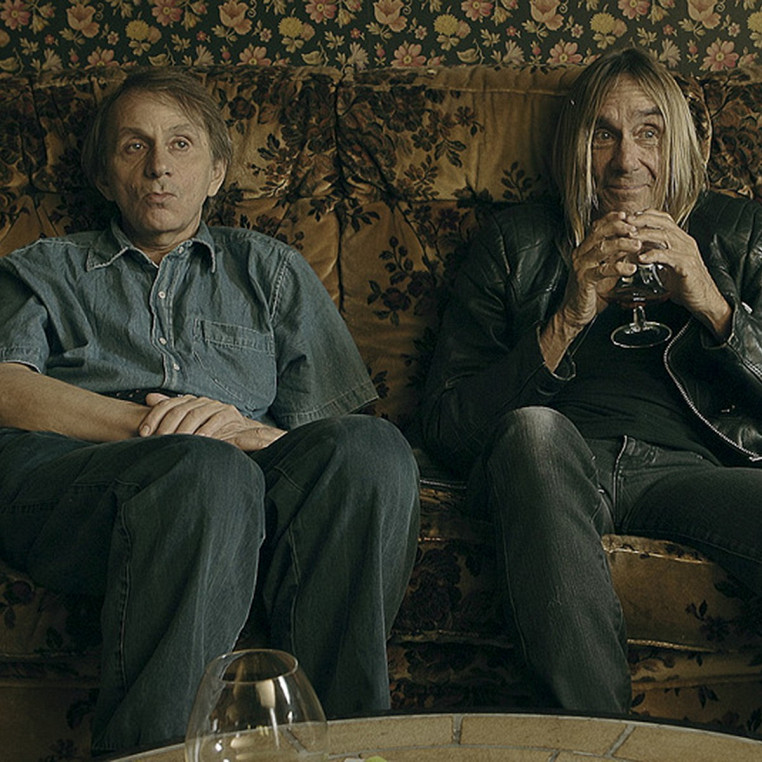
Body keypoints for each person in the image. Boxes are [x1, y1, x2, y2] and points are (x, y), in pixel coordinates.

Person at [0, 68, 420, 755]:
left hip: (237, 475)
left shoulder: (271, 271)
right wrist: (154, 428)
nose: (159, 166)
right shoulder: (45, 267)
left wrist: (248, 432)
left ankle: (341, 745)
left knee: (372, 450)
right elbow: (6, 387)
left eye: (181, 144)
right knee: (204, 470)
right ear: (105, 176)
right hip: (79, 478)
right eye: (133, 146)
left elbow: (327, 436)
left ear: (216, 172)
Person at [419, 46, 762, 716]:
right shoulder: (514, 243)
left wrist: (713, 304)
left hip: (692, 471)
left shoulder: (739, 233)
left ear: (676, 144)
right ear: (577, 148)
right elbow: (446, 427)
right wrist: (569, 316)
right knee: (535, 432)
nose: (626, 160)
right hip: (557, 461)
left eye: (647, 133)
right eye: (604, 135)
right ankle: (598, 743)